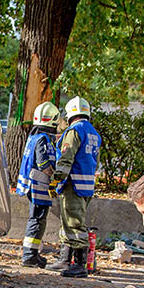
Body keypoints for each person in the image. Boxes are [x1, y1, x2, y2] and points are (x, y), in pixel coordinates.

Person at [46, 96, 101, 277]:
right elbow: (95, 161)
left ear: (70, 114)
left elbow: (66, 159)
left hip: (73, 184)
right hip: (86, 185)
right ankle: (64, 259)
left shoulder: (74, 131)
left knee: (74, 224)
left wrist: (55, 180)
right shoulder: (93, 133)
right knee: (69, 222)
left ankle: (79, 265)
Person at [15, 102, 60, 268]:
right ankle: (30, 255)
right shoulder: (43, 139)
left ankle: (31, 254)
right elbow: (43, 164)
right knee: (38, 220)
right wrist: (56, 177)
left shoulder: (33, 136)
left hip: (31, 184)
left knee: (36, 218)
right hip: (38, 185)